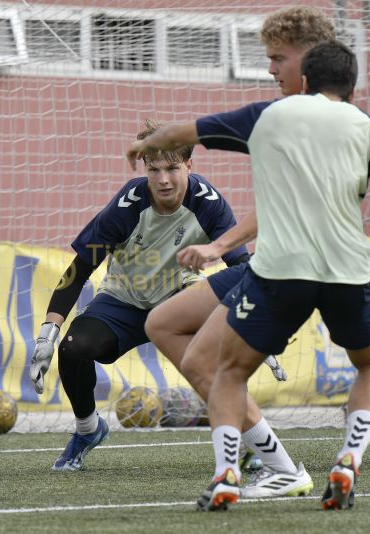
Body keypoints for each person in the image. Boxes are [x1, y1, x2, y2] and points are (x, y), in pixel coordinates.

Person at [126, 41, 370, 511]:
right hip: (346, 269)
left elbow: (190, 130)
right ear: (352, 84)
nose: (272, 67)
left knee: (229, 373)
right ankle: (348, 460)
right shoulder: (366, 128)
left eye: (278, 59)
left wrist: (146, 143)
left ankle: (227, 474)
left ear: (303, 75)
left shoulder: (271, 116)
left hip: (281, 270)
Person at [144, 5, 336, 499]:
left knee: (207, 365)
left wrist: (220, 243)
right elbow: (278, 200)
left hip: (294, 269)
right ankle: (261, 450)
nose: (270, 68)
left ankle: (267, 464)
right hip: (269, 262)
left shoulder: (319, 119)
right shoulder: (294, 114)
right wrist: (220, 246)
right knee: (163, 324)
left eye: (278, 57)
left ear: (309, 58)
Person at [28, 119, 251, 472]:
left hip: (182, 299)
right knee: (73, 348)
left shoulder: (208, 202)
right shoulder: (127, 206)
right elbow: (80, 268)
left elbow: (240, 264)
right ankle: (87, 431)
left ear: (189, 166)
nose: (163, 179)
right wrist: (47, 333)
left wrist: (250, 319)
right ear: (145, 167)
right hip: (124, 300)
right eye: (154, 169)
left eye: (173, 168)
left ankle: (250, 443)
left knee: (223, 358)